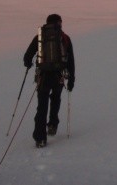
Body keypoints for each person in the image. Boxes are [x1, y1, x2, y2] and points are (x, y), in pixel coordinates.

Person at [23, 13, 75, 147]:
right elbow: (71, 61)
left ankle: (40, 138)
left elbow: (27, 56)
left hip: (43, 76)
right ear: (59, 23)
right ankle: (52, 124)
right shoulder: (65, 38)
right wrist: (71, 79)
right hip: (58, 76)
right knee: (56, 98)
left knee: (42, 106)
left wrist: (29, 63)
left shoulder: (40, 37)